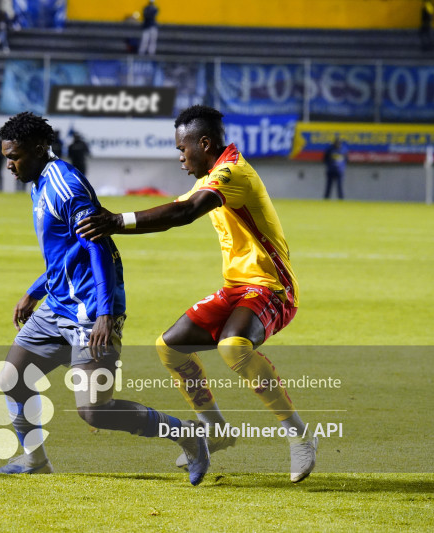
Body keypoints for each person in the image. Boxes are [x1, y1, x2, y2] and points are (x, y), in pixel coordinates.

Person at [76, 105, 318, 483]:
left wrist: (117, 221)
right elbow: (177, 208)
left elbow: (186, 211)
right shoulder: (213, 175)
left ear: (204, 143)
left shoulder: (231, 173)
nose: (179, 157)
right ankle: (215, 429)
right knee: (168, 346)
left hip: (273, 288)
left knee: (233, 346)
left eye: (182, 148)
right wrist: (115, 226)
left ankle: (300, 435)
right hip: (237, 289)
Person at [0, 112, 210, 485]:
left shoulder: (65, 185)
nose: (10, 165)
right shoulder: (38, 181)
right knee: (13, 378)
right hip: (57, 305)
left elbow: (97, 247)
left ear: (40, 149)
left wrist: (105, 314)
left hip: (90, 312)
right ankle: (34, 460)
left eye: (16, 156)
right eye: (7, 156)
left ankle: (188, 434)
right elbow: (68, 251)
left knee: (96, 411)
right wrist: (36, 290)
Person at [323, 135, 347, 200]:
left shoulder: (343, 150)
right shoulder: (330, 149)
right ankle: (326, 199)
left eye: (338, 143)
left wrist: (342, 167)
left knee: (340, 186)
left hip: (339, 171)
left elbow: (346, 159)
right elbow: (325, 159)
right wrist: (329, 166)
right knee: (328, 186)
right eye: (336, 143)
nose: (337, 144)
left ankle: (341, 199)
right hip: (331, 170)